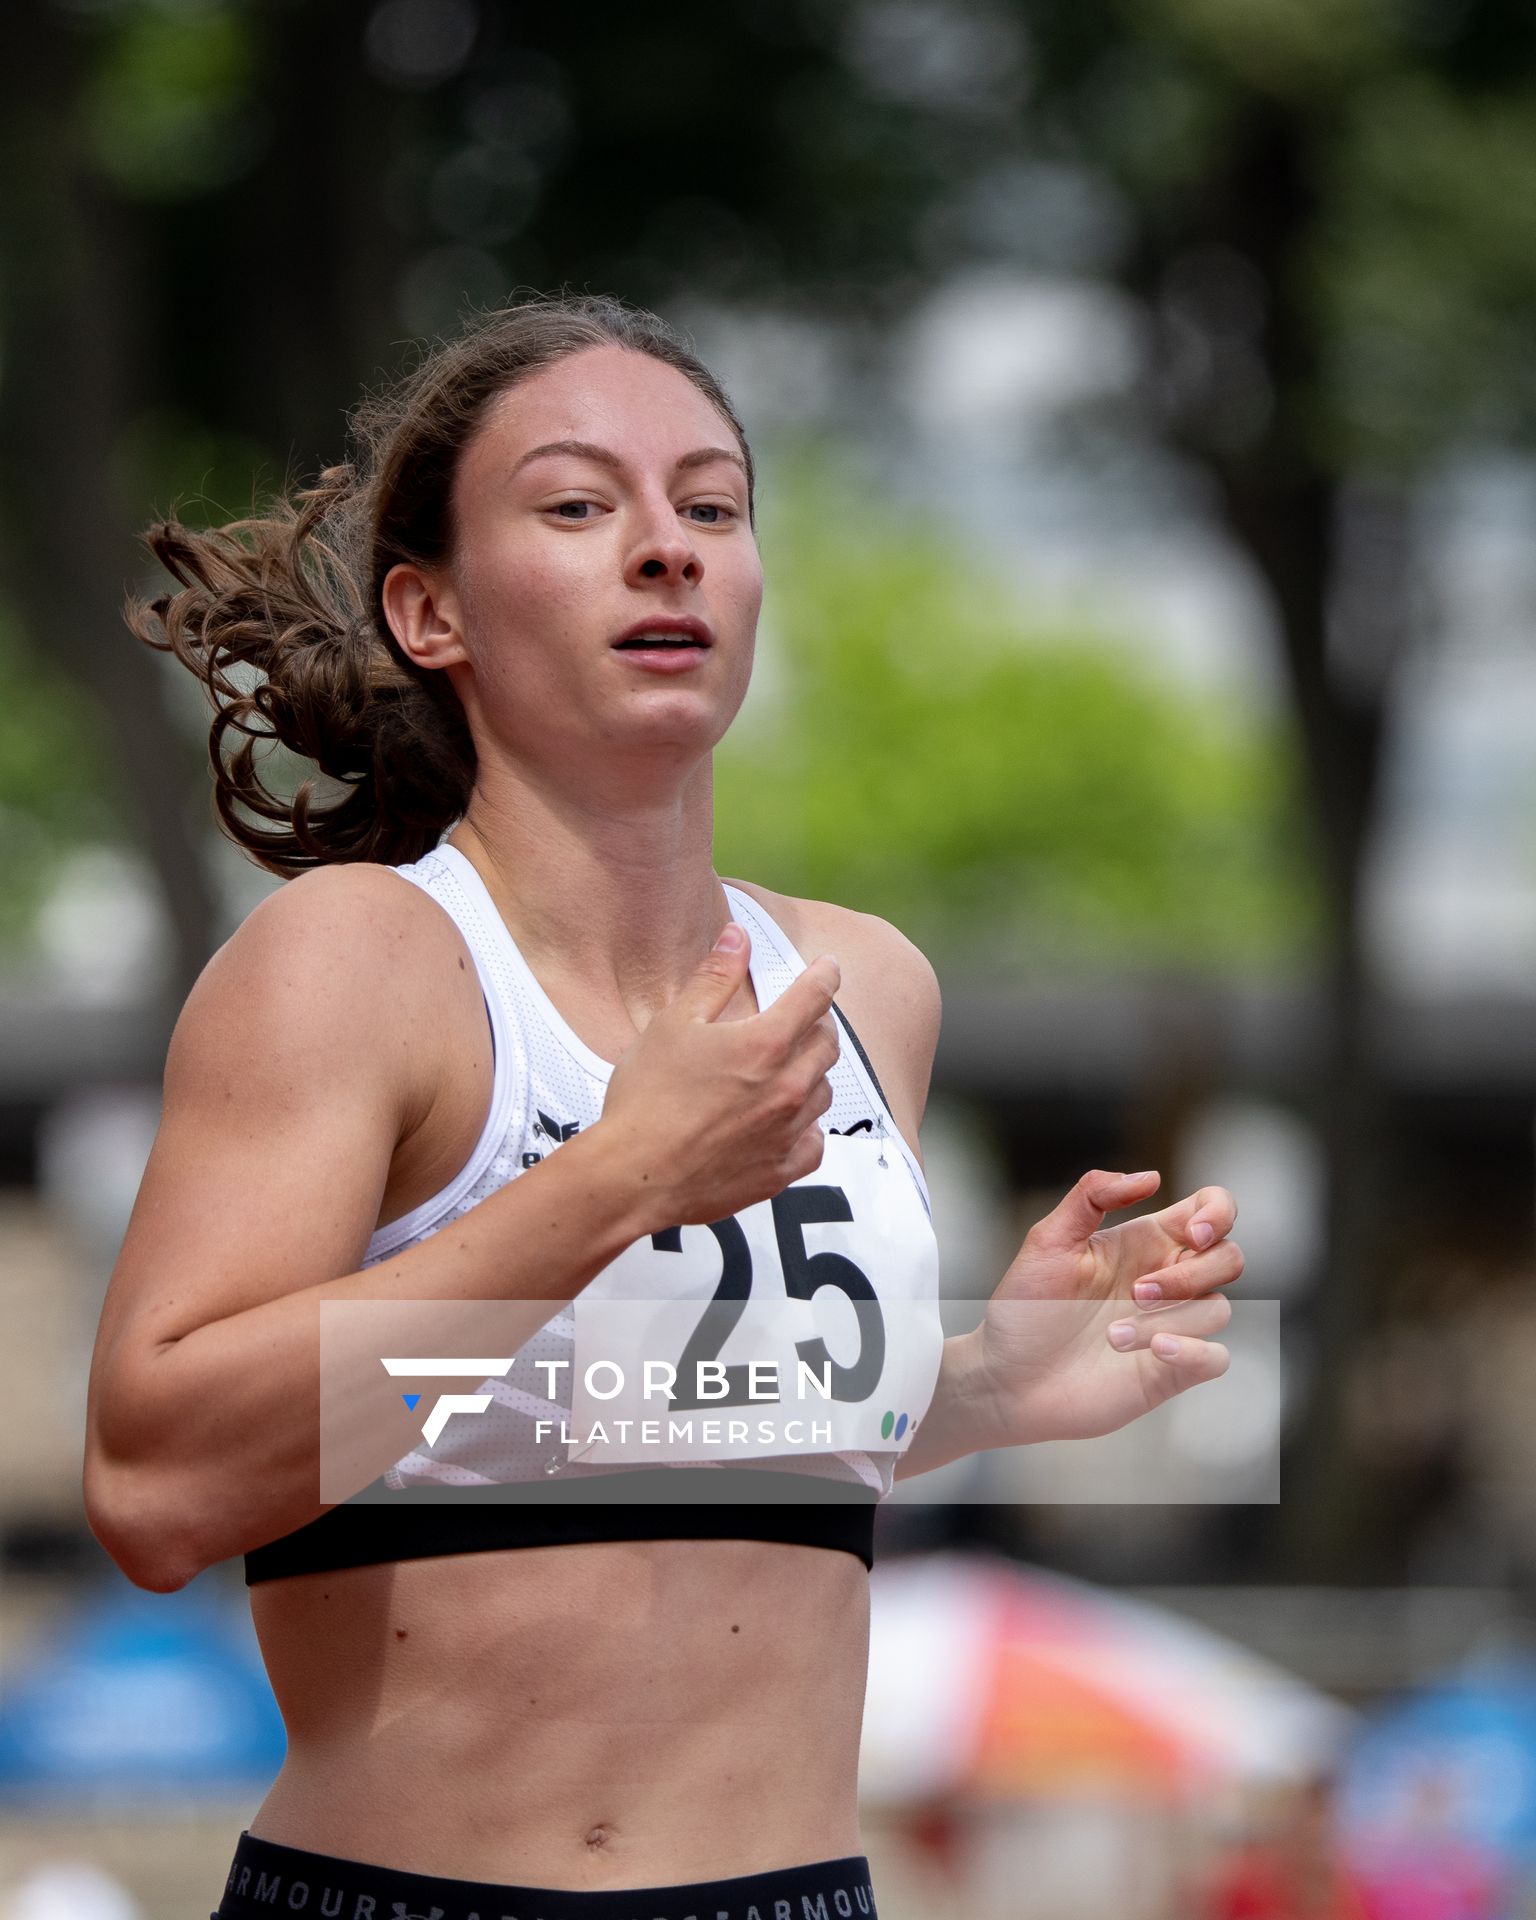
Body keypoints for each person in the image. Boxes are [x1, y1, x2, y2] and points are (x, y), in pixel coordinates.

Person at [81, 291, 1242, 1920]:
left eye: (711, 506)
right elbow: (157, 1488)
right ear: (431, 611)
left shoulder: (860, 984)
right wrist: (617, 1177)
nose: (667, 548)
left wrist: (971, 1387)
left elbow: (624, 1437)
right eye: (578, 506)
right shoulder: (358, 965)